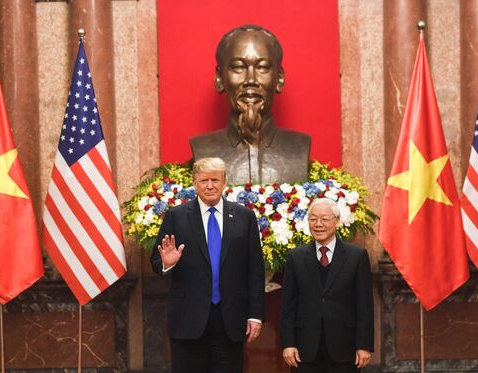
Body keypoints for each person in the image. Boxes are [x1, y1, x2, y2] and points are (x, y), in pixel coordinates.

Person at [151, 157, 265, 373]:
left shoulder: (244, 217)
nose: (210, 185)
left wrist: (255, 315)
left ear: (224, 182)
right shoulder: (177, 217)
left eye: (215, 179)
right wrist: (167, 264)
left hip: (230, 319)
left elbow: (255, 270)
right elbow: (156, 262)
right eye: (204, 180)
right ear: (194, 182)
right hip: (188, 319)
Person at [190, 24, 311, 185]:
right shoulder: (202, 148)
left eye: (262, 67)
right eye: (238, 67)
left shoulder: (299, 146)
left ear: (279, 78)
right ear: (220, 78)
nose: (251, 80)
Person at [281, 198, 374, 372]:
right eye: (313, 219)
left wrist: (364, 345)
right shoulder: (296, 257)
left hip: (345, 347)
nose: (318, 224)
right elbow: (288, 306)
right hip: (305, 349)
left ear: (337, 221)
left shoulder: (356, 257)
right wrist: (288, 344)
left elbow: (365, 306)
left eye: (324, 219)